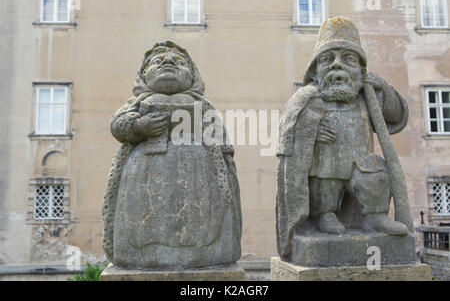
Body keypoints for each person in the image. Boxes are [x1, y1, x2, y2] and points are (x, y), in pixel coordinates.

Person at [276, 17, 411, 258]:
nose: (336, 65)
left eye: (347, 59)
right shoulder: (307, 97)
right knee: (325, 176)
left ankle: (375, 216)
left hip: (362, 162)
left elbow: (395, 116)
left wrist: (384, 89)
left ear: (361, 71)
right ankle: (325, 214)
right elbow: (289, 131)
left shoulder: (366, 95)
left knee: (376, 173)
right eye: (328, 59)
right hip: (326, 165)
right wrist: (312, 131)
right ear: (315, 71)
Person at [102, 41, 242, 269]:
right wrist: (140, 126)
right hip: (144, 175)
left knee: (200, 220)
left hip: (198, 175)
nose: (167, 62)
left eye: (179, 62)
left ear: (192, 75)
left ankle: (204, 255)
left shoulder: (203, 104)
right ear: (143, 75)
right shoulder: (136, 103)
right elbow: (117, 125)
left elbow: (221, 142)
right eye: (157, 61)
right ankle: (142, 256)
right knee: (142, 222)